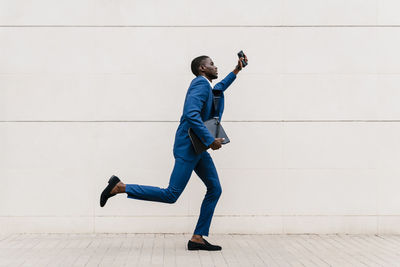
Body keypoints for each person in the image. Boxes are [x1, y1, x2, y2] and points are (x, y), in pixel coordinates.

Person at [100, 54, 248, 251]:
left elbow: (219, 89)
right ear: (202, 69)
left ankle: (197, 237)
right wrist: (210, 140)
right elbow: (191, 113)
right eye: (211, 64)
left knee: (215, 188)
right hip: (189, 147)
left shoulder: (207, 86)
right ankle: (120, 187)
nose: (215, 66)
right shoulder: (200, 84)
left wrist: (237, 70)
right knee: (171, 194)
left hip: (198, 149)